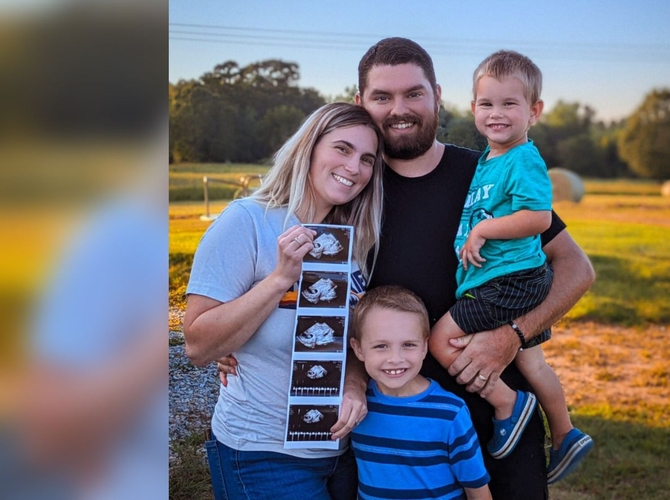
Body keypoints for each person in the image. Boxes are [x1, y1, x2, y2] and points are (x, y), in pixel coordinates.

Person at [219, 37, 595, 499]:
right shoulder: (349, 195)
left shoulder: (486, 175)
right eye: (382, 97)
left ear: (437, 95)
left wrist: (512, 335)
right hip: (391, 442)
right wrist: (241, 345)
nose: (400, 109)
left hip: (500, 428)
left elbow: (577, 268)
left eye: (413, 93)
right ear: (361, 104)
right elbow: (312, 300)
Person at [184, 102, 385, 500]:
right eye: (342, 149)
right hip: (262, 453)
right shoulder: (248, 221)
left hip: (342, 452)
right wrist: (279, 280)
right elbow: (197, 345)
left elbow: (354, 339)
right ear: (309, 148)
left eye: (367, 159)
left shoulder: (354, 237)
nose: (354, 168)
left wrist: (357, 382)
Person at [428, 50, 593, 482]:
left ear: (534, 111)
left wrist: (483, 232)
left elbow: (538, 218)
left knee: (442, 339)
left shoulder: (523, 159)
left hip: (507, 282)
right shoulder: (489, 160)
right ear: (472, 108)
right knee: (533, 365)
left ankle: (508, 404)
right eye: (487, 104)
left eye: (509, 104)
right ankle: (565, 433)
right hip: (514, 278)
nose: (496, 113)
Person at [349, 285, 491, 500]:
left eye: (408, 345)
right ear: (358, 349)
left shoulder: (450, 413)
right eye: (380, 346)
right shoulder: (357, 406)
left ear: (425, 347)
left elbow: (478, 491)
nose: (395, 358)